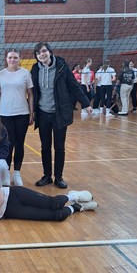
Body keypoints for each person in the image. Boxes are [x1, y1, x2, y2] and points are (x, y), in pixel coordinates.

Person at [0, 158, 97, 226]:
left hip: (14, 195)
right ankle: (78, 207)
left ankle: (73, 195)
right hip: (10, 212)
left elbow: (0, 198)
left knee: (55, 204)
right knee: (57, 216)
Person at [30, 42, 92, 189]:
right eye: (38, 53)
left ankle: (58, 177)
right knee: (45, 147)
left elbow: (74, 86)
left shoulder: (62, 67)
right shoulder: (35, 69)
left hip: (59, 113)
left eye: (44, 51)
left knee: (59, 147)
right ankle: (47, 176)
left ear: (50, 52)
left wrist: (86, 103)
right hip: (43, 113)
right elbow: (32, 90)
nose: (41, 55)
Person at [0, 49, 33, 186]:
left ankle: (17, 173)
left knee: (19, 143)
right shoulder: (0, 75)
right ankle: (6, 173)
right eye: (10, 57)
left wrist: (31, 112)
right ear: (6, 59)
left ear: (19, 59)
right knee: (8, 144)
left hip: (22, 113)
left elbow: (31, 94)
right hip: (5, 114)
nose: (12, 60)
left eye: (15, 57)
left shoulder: (25, 73)